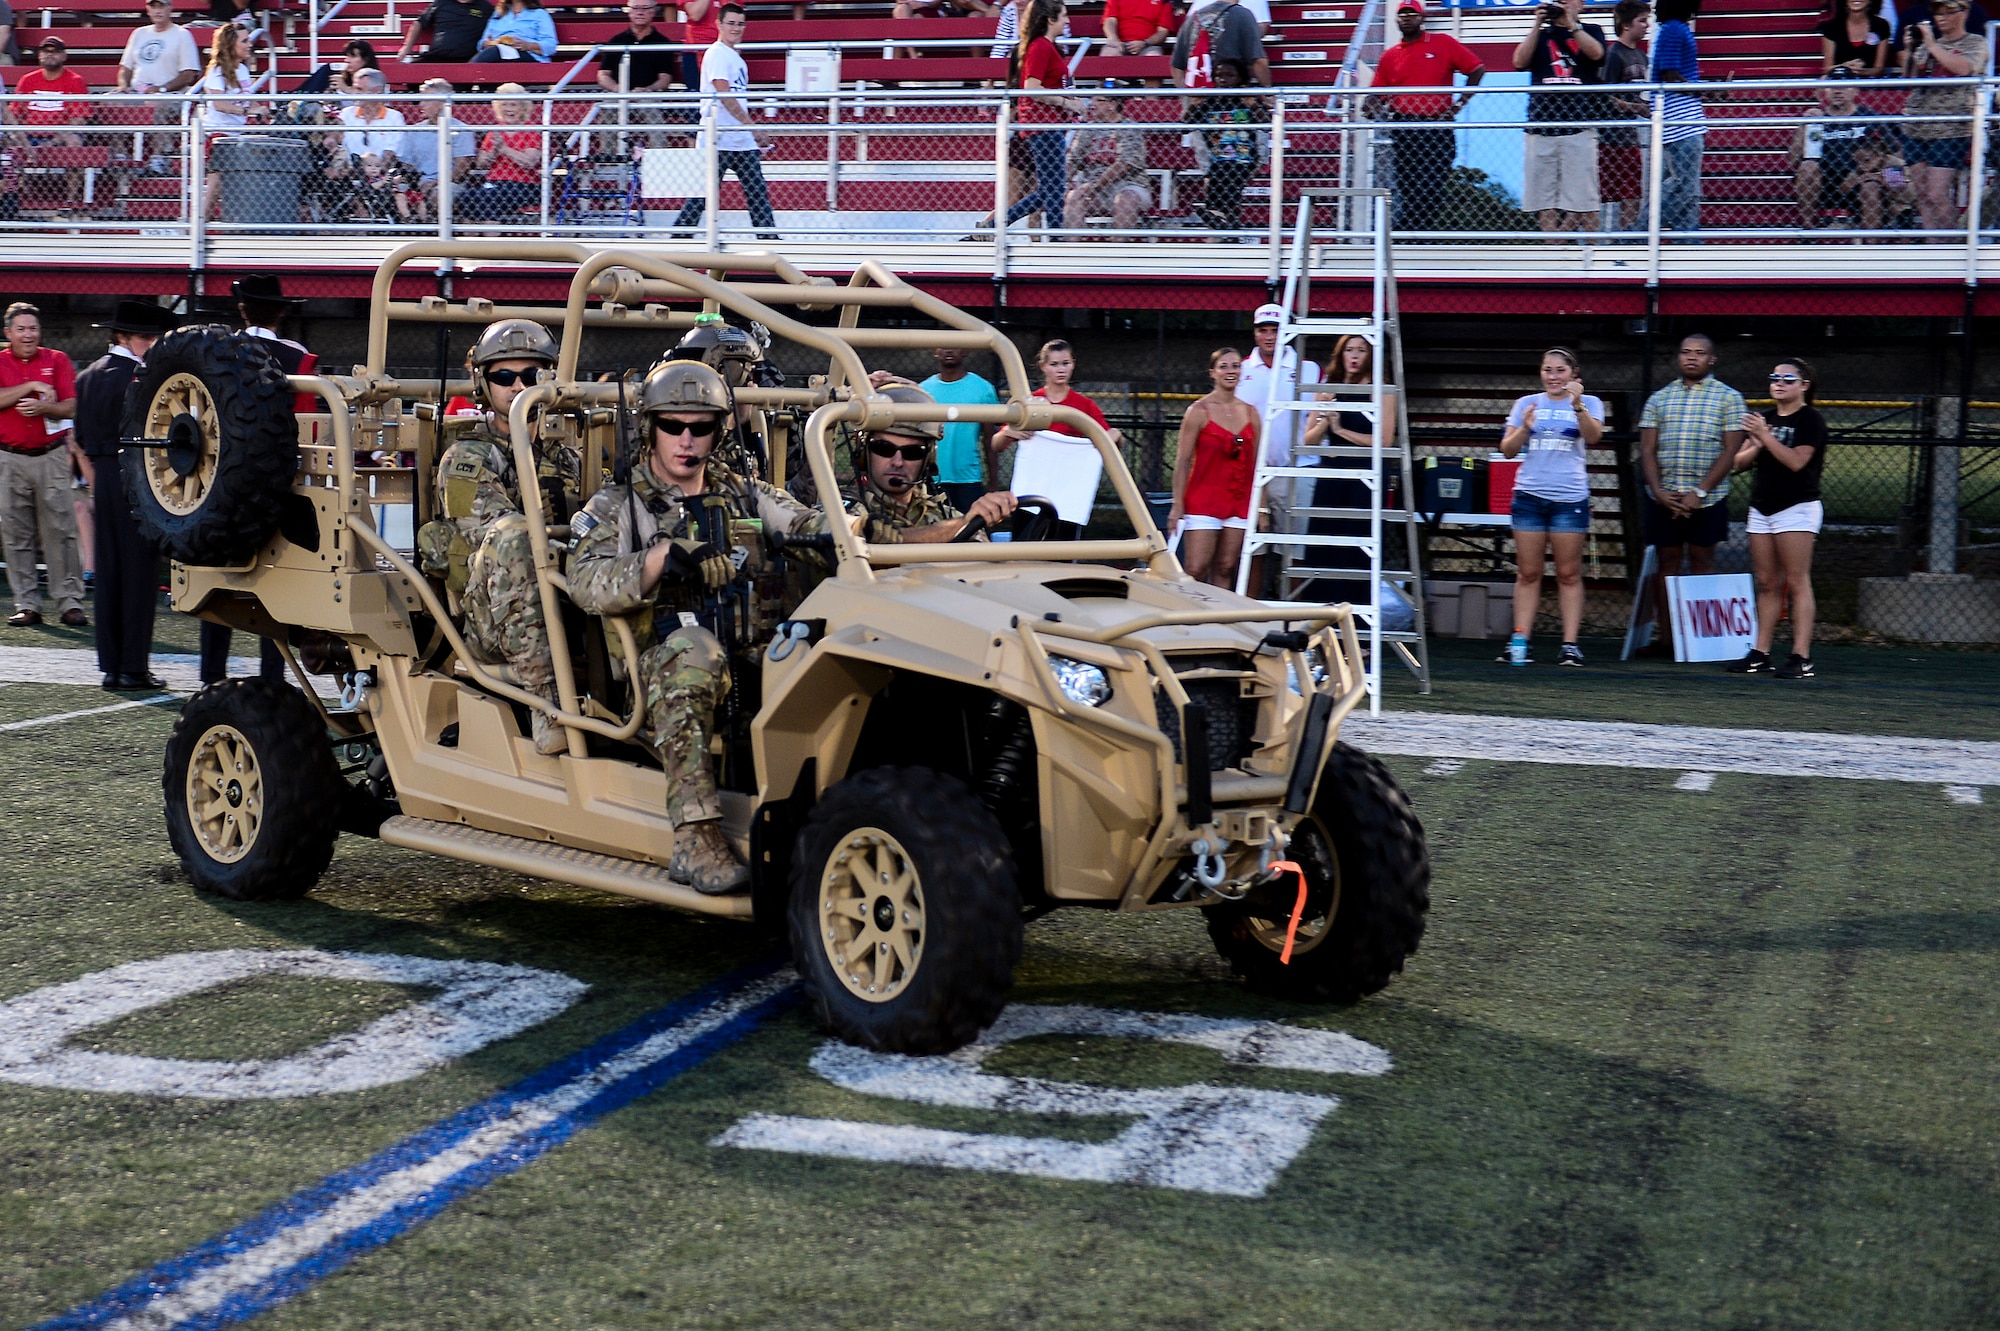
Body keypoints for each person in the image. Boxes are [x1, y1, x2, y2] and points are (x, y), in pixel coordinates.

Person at [566, 361, 848, 894]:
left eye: (702, 428)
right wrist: (658, 559)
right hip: (662, 673)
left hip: (750, 657)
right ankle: (695, 837)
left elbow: (809, 525)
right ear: (650, 427)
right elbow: (583, 581)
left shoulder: (745, 492)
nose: (687, 440)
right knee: (694, 651)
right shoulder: (618, 504)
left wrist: (861, 532)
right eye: (673, 426)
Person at [417, 319, 577, 754]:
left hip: (570, 600)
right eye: (503, 377)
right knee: (514, 537)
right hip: (492, 615)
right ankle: (547, 706)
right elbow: (492, 538)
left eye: (531, 375)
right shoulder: (467, 458)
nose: (517, 386)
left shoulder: (569, 456)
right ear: (484, 384)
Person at [194, 275, 307, 684]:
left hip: (219, 485)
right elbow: (312, 426)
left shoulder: (218, 352)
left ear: (242, 310)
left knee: (217, 583)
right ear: (280, 312)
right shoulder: (298, 358)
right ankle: (273, 677)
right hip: (279, 487)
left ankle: (211, 675)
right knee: (274, 583)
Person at [76, 300, 174, 689]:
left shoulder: (86, 377)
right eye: (145, 337)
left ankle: (112, 665)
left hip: (103, 472)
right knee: (138, 574)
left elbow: (81, 437)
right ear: (122, 337)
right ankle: (133, 666)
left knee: (110, 571)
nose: (151, 343)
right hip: (137, 476)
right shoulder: (142, 376)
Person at [1638, 332, 1744, 653]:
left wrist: (1700, 491)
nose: (1692, 358)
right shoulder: (1659, 398)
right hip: (1665, 497)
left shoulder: (1729, 398)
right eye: (1686, 352)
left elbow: (1731, 450)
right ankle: (1668, 640)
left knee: (1702, 561)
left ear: (1711, 359)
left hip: (1707, 497)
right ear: (1678, 357)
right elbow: (1647, 449)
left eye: (1699, 353)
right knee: (1667, 562)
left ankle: (1702, 641)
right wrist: (1658, 491)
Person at [1499, 347, 1601, 667]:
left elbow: (1594, 437)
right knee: (1528, 573)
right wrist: (1525, 428)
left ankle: (1570, 645)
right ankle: (1521, 641)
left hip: (1569, 499)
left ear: (1573, 374)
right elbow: (1507, 450)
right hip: (1529, 497)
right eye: (1548, 370)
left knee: (1568, 574)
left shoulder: (1590, 403)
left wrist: (1578, 405)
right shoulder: (1526, 404)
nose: (1553, 377)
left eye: (1560, 370)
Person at [1726, 357, 1826, 680]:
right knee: (1768, 583)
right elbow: (1738, 463)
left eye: (1787, 379)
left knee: (1797, 581)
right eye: (1774, 378)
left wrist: (1765, 438)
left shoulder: (1810, 420)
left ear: (1804, 386)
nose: (1778, 383)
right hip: (1762, 508)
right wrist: (1756, 443)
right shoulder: (1764, 419)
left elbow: (1796, 462)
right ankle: (1760, 652)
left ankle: (1801, 656)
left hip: (1796, 507)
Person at [1365, 0, 1484, 233]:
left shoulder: (1443, 43)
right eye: (1402, 15)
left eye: (1412, 14)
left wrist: (1458, 105)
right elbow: (1378, 92)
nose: (1407, 18)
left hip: (1436, 125)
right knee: (1408, 184)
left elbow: (1476, 69)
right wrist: (1370, 103)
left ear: (1423, 18)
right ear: (1397, 19)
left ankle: (1412, 230)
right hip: (1405, 125)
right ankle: (1416, 233)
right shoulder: (1391, 56)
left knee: (1431, 182)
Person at [847, 386, 1020, 541]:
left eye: (913, 452)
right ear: (864, 451)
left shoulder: (946, 516)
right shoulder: (838, 510)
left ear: (929, 458)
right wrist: (962, 524)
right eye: (884, 448)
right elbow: (872, 536)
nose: (898, 462)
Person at [0, 303, 82, 628]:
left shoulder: (57, 359)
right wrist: (31, 387)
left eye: (32, 328)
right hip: (8, 457)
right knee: (15, 532)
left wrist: (46, 409)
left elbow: (73, 405)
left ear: (40, 331)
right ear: (8, 333)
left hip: (51, 456)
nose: (28, 334)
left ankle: (70, 602)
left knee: (61, 530)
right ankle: (27, 603)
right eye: (21, 329)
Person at [1298, 332, 1393, 604]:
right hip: (1332, 472)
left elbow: (1384, 440)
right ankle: (1320, 624)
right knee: (1324, 545)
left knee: (1357, 549)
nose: (1354, 356)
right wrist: (1326, 421)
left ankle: (1359, 630)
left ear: (1370, 355)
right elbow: (1308, 439)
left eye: (1361, 350)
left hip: (1366, 477)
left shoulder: (1382, 389)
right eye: (1349, 350)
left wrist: (1341, 429)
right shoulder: (1328, 387)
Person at [671, 6, 779, 240]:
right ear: (719, 25)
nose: (736, 28)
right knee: (702, 196)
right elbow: (724, 93)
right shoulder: (717, 53)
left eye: (740, 24)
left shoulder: (734, 57)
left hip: (739, 140)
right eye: (731, 23)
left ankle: (769, 240)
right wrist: (751, 126)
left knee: (757, 192)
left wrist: (747, 130)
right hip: (718, 138)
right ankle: (678, 240)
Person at [1238, 301, 1321, 594]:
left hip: (1297, 471)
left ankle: (1292, 622)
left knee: (1294, 553)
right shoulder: (1242, 370)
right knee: (1253, 551)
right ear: (1255, 333)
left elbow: (1318, 418)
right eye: (1264, 330)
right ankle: (1247, 618)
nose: (1270, 336)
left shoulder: (1309, 370)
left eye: (1276, 330)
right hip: (1252, 474)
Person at [1169, 347, 1261, 588]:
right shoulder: (1198, 411)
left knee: (1225, 566)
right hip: (1203, 499)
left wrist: (1262, 507)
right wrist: (1177, 504)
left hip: (1239, 498)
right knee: (1195, 568)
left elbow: (1258, 463)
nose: (1230, 371)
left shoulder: (1251, 413)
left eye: (1235, 366)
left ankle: (1221, 620)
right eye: (1224, 366)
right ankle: (1189, 619)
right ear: (1212, 372)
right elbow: (1183, 461)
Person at [871, 346, 1000, 513]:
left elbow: (990, 440)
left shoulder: (983, 389)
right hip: (930, 477)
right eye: (942, 345)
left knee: (970, 531)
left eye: (954, 345)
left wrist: (994, 484)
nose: (949, 350)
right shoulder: (924, 390)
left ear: (965, 351)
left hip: (968, 478)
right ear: (935, 351)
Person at [1514, 0, 1604, 234]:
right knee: (1545, 200)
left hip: (1580, 127)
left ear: (1581, 4)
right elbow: (1519, 61)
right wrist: (1537, 25)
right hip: (1541, 127)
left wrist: (1572, 24)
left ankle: (1592, 256)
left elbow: (1596, 54)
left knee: (1586, 200)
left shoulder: (1591, 31)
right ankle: (1552, 254)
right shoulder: (1542, 36)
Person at [1900, 0, 1987, 239]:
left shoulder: (1976, 43)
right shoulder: (1929, 45)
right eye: (1938, 12)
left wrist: (1930, 43)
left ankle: (1953, 246)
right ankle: (1933, 248)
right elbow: (1908, 77)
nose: (1942, 17)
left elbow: (1963, 68)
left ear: (1964, 12)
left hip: (1951, 127)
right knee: (1923, 196)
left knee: (1938, 194)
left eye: (1949, 11)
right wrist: (1910, 49)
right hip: (1915, 124)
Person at [1001, 0, 1076, 234]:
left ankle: (1054, 237)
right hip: (1044, 127)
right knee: (1052, 189)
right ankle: (996, 226)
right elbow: (1031, 87)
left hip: (1047, 126)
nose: (1068, 20)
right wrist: (1066, 102)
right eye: (1063, 16)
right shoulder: (1041, 46)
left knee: (1050, 190)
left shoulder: (1046, 46)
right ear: (1050, 19)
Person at [1791, 74, 1899, 230]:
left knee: (1871, 187)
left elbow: (1896, 155)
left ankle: (1872, 248)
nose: (1837, 91)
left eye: (1844, 86)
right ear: (1825, 91)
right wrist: (1804, 126)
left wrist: (1879, 176)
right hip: (1823, 183)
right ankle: (1810, 233)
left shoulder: (1869, 117)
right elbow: (1793, 161)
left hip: (1860, 178)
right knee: (1808, 167)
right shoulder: (1816, 118)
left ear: (1855, 91)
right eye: (1832, 87)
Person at [118, 0, 203, 176]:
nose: (158, 11)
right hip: (137, 92)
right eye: (154, 6)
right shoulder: (139, 33)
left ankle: (159, 158)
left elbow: (189, 74)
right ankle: (120, 157)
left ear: (170, 8)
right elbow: (125, 68)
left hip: (172, 94)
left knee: (157, 105)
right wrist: (123, 86)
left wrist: (162, 89)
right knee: (109, 102)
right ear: (148, 9)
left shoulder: (182, 34)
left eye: (162, 6)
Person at [9, 39, 92, 209]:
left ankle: (71, 201)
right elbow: (13, 115)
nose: (49, 55)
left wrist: (54, 141)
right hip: (29, 136)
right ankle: (15, 199)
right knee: (6, 141)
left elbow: (79, 119)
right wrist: (18, 138)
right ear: (39, 55)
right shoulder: (28, 80)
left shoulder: (75, 81)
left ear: (63, 55)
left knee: (74, 141)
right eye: (45, 51)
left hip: (59, 136)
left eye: (54, 51)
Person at [1652, 0, 1706, 238]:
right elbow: (1670, 74)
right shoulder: (1673, 28)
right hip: (1680, 122)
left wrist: (1705, 89)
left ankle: (1690, 240)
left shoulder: (1676, 28)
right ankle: (1641, 231)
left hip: (1685, 119)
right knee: (1686, 187)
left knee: (1689, 187)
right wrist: (1703, 90)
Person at [1191, 57, 1261, 234]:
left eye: (1230, 75)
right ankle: (1223, 220)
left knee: (1227, 170)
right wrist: (1195, 105)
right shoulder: (1209, 102)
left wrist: (1253, 105)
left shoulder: (1247, 100)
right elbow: (1185, 126)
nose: (1223, 79)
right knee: (1220, 170)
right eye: (1219, 75)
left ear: (1241, 79)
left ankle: (1215, 213)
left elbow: (1266, 122)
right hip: (1218, 157)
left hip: (1246, 156)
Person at [1063, 94, 1151, 235]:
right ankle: (1073, 251)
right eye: (1091, 100)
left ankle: (1118, 251)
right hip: (1092, 188)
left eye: (1098, 100)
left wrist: (1095, 185)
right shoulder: (1088, 129)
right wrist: (1064, 182)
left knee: (1126, 200)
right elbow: (1073, 161)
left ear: (1112, 104)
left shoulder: (1129, 127)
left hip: (1128, 185)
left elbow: (1125, 165)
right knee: (1073, 196)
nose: (1091, 105)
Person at [196, 23, 257, 220]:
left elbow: (248, 100)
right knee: (215, 184)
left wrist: (261, 109)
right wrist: (245, 110)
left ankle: (207, 221)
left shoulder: (243, 70)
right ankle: (196, 224)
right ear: (231, 44)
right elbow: (219, 104)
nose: (250, 44)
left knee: (224, 184)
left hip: (236, 134)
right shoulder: (216, 69)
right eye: (244, 41)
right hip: (218, 134)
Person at [598, 0, 679, 147]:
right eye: (635, 8)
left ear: (653, 11)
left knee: (652, 110)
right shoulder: (617, 41)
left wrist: (649, 90)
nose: (640, 12)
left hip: (647, 95)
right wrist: (619, 89)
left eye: (645, 8)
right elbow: (603, 75)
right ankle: (607, 161)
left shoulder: (662, 43)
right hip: (619, 94)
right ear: (629, 11)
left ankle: (658, 158)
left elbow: (665, 78)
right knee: (608, 107)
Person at [1598, 0, 1649, 231]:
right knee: (1605, 196)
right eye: (1642, 21)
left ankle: (1626, 243)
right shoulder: (1614, 55)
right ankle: (1598, 244)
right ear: (1626, 25)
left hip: (1631, 138)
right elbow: (1604, 97)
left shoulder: (1641, 56)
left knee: (1633, 194)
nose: (1647, 25)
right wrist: (1635, 108)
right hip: (1609, 140)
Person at [329, 67, 406, 217]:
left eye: (359, 89)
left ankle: (364, 220)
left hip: (377, 176)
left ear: (376, 91)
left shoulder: (394, 118)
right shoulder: (345, 115)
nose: (354, 93)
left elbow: (390, 156)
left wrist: (366, 172)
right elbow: (334, 143)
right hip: (346, 176)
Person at [402, 79, 477, 220]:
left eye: (426, 100)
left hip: (450, 184)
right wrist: (415, 183)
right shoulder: (414, 130)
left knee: (440, 194)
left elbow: (461, 169)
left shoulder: (461, 130)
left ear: (442, 103)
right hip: (418, 183)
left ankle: (438, 233)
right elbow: (408, 166)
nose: (421, 105)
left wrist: (435, 183)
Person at [465, 83, 542, 220]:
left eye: (513, 105)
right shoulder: (495, 131)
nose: (508, 109)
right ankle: (474, 236)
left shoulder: (531, 130)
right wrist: (493, 152)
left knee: (485, 201)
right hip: (494, 182)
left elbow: (529, 162)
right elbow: (481, 164)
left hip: (523, 184)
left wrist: (504, 149)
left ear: (523, 108)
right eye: (504, 105)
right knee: (467, 198)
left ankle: (490, 232)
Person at [1171, 0, 1271, 89]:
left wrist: (1185, 96)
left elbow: (1176, 66)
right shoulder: (1243, 15)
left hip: (1197, 98)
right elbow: (1259, 61)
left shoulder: (1193, 18)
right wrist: (1268, 91)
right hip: (1232, 97)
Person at [398, 0, 494, 64]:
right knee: (410, 72)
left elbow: (497, 29)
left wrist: (490, 42)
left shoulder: (486, 8)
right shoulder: (441, 3)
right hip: (436, 56)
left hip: (466, 60)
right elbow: (419, 23)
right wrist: (407, 46)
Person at [1820, 0, 1893, 75]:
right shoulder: (1832, 26)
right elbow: (1827, 69)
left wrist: (1861, 71)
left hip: (1869, 81)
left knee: (1851, 87)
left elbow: (1879, 69)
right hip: (1840, 79)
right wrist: (1844, 67)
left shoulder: (1881, 25)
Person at [471, 0, 556, 63]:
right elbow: (483, 41)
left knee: (496, 51)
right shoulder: (499, 13)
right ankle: (464, 82)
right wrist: (485, 44)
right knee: (493, 62)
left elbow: (550, 45)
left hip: (529, 56)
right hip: (497, 55)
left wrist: (528, 45)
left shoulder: (539, 14)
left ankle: (462, 83)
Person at [676, 0, 719, 94]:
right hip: (695, 51)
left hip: (721, 50)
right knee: (697, 98)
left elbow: (736, 17)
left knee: (724, 95)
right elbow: (695, 14)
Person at [1103, 0, 1175, 54]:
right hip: (1120, 43)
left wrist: (1145, 43)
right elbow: (1110, 21)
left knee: (1153, 57)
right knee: (1109, 54)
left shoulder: (1163, 1)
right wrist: (1114, 40)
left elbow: (1163, 31)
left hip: (1149, 45)